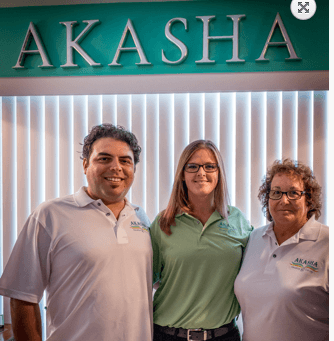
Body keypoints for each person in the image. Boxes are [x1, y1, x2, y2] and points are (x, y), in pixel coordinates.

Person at [0, 124, 153, 341]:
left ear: (133, 170)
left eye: (125, 160)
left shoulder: (142, 218)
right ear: (85, 164)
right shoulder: (50, 215)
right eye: (104, 158)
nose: (116, 167)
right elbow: (23, 296)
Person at [151, 139, 253, 341]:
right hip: (169, 335)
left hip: (224, 336)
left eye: (209, 166)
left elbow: (254, 273)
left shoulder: (237, 220)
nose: (201, 173)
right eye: (193, 167)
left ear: (219, 173)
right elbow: (151, 278)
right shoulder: (163, 223)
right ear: (182, 174)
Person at [234, 159, 329, 341]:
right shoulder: (254, 239)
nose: (284, 200)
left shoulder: (326, 244)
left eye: (293, 193)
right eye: (276, 192)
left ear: (308, 200)